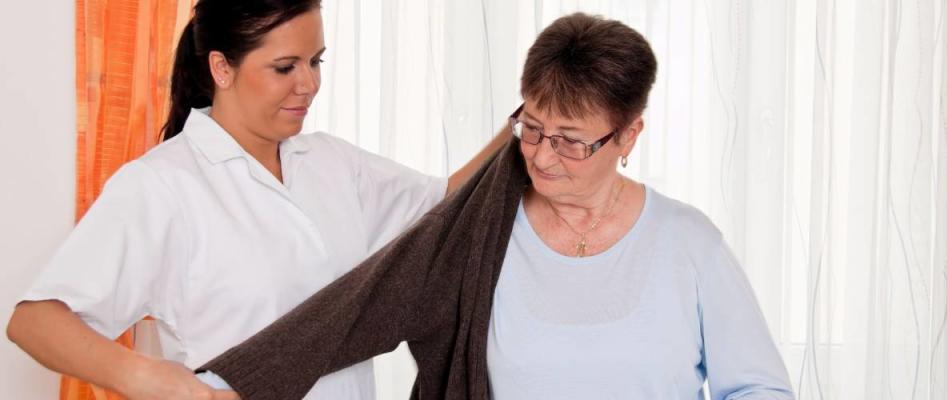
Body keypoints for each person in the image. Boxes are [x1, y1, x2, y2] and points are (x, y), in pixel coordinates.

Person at [200, 12, 796, 400]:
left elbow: (759, 387)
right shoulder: (480, 231)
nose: (543, 157)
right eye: (532, 129)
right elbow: (360, 308)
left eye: (571, 140)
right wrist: (225, 384)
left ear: (629, 135)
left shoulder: (689, 244)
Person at [5, 1, 510, 399]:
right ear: (222, 69)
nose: (309, 84)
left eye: (316, 62)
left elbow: (445, 204)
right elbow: (35, 321)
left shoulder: (332, 162)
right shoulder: (162, 186)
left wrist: (523, 126)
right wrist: (145, 377)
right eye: (285, 67)